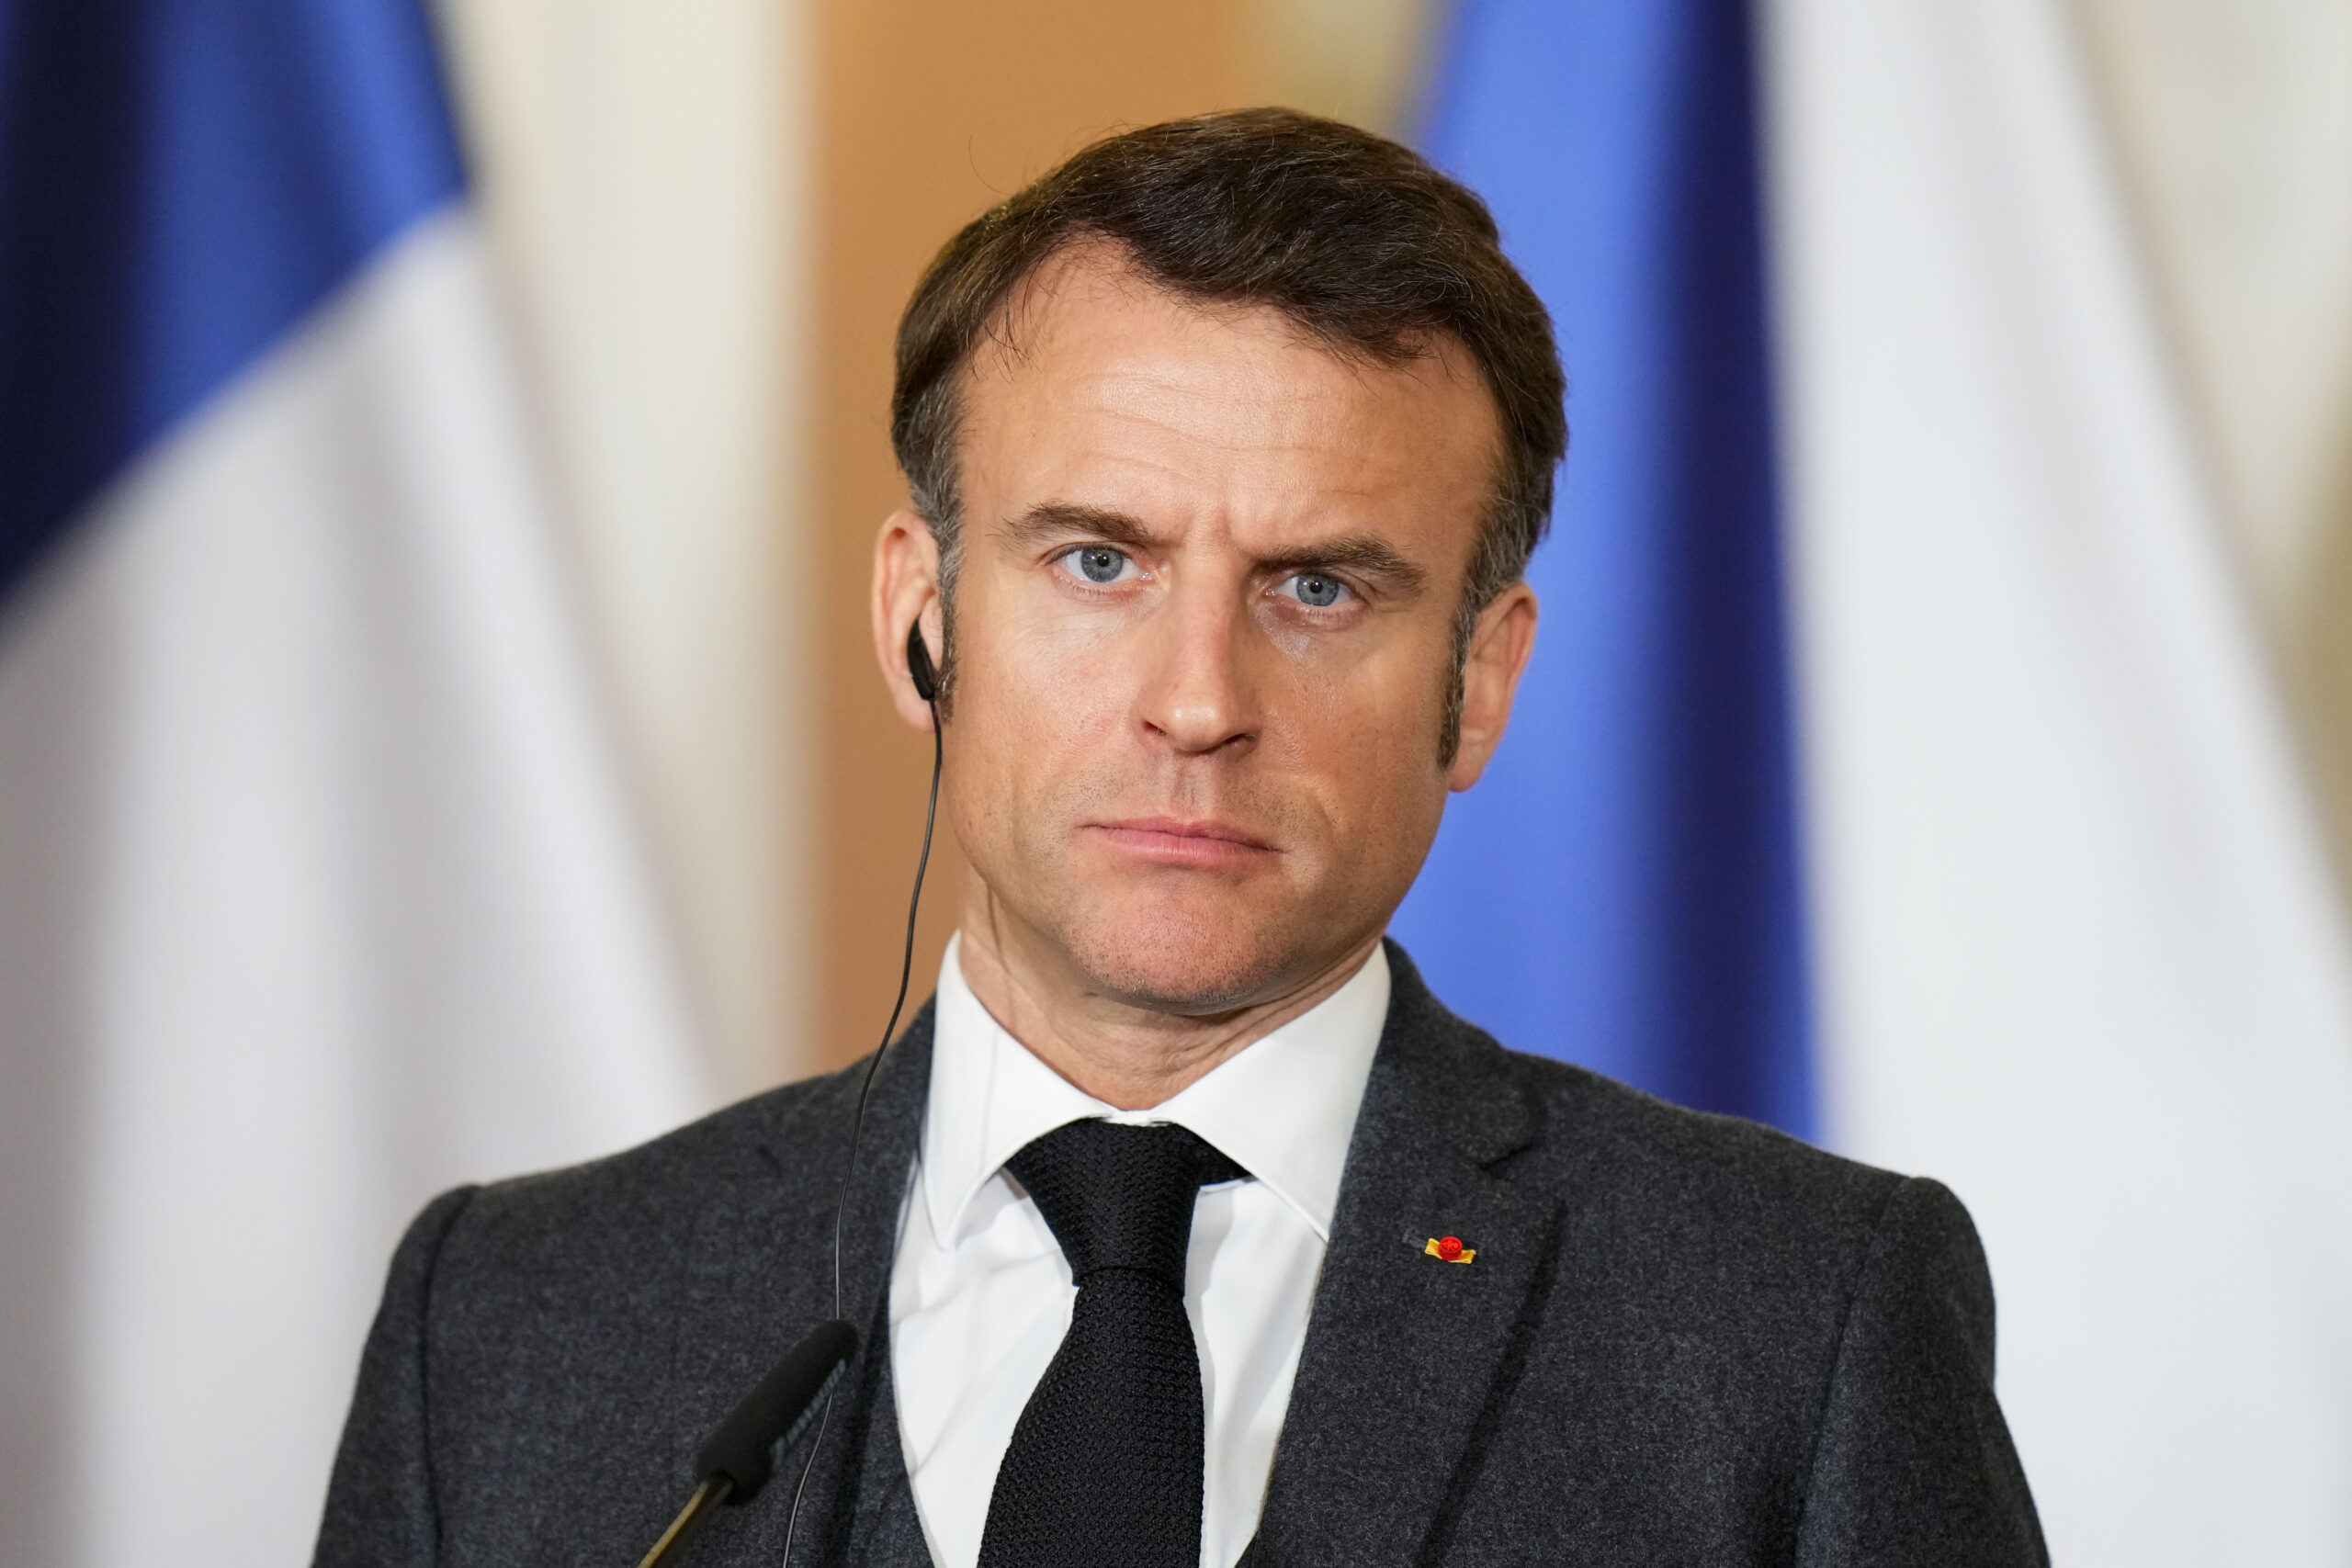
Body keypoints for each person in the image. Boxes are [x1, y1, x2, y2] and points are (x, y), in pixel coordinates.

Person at [313, 109, 2044, 1568]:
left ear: (1480, 683)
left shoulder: (1793, 1323)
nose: (1197, 698)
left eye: (1317, 587)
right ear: (925, 620)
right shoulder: (510, 1324)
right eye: (1098, 562)